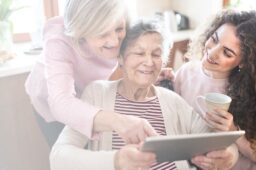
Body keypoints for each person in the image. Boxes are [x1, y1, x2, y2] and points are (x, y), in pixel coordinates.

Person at [50, 18, 240, 170]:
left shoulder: (173, 101)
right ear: (121, 59)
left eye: (156, 54)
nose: (149, 62)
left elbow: (214, 142)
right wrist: (116, 161)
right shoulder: (97, 93)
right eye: (139, 53)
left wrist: (230, 156)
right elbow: (58, 157)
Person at [173, 10, 256, 169]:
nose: (212, 52)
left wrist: (233, 131)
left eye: (227, 53)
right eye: (214, 39)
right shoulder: (186, 72)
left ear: (244, 62)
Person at [25, 0, 157, 146]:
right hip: (51, 98)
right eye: (102, 33)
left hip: (86, 93)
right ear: (81, 32)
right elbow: (61, 103)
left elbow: (131, 56)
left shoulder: (123, 20)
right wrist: (119, 121)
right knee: (67, 154)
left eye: (118, 29)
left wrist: (151, 72)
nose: (114, 42)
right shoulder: (59, 39)